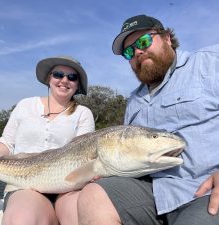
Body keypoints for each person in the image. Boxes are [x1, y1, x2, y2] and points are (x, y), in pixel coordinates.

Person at [76, 15, 219, 225]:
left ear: (167, 38)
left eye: (143, 41)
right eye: (128, 51)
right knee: (93, 197)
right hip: (150, 191)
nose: (137, 52)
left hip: (204, 190)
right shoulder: (134, 100)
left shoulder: (210, 62)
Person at [0, 55, 95, 225]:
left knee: (83, 217)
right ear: (49, 78)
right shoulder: (25, 105)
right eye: (58, 74)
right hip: (23, 184)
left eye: (72, 77)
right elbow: (7, 142)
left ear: (77, 84)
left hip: (69, 188)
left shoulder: (83, 113)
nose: (64, 80)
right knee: (23, 219)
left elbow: (85, 153)